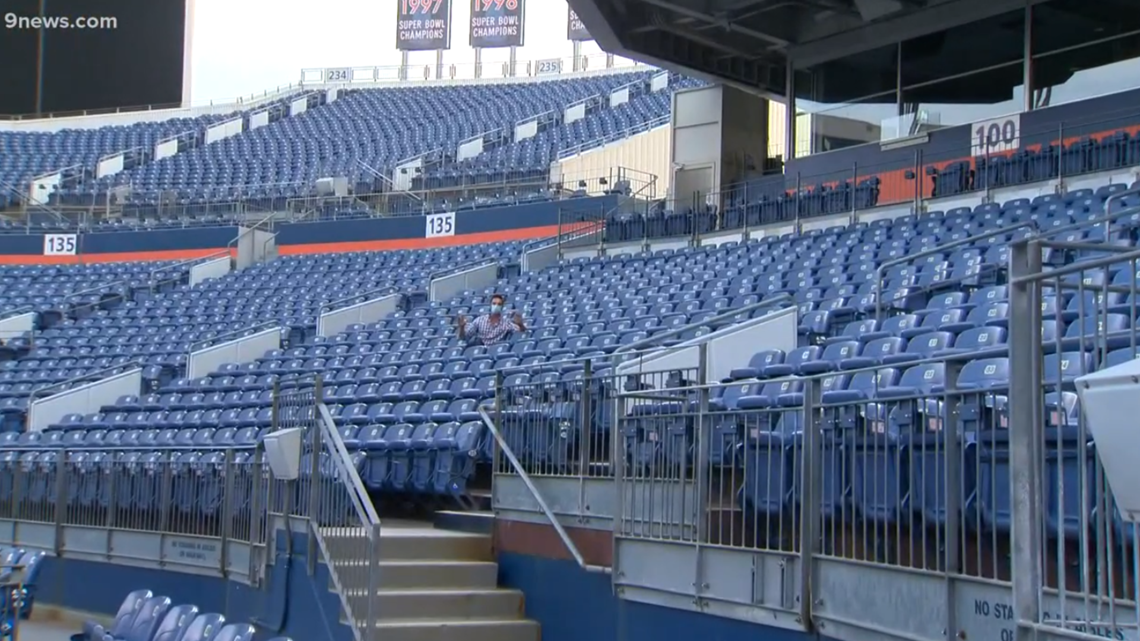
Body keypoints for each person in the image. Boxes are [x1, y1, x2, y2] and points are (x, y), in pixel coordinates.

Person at [456, 293, 526, 346]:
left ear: (502, 307)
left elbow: (521, 331)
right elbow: (464, 337)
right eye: (494, 304)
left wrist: (520, 324)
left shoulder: (506, 323)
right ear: (490, 305)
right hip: (480, 346)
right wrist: (462, 327)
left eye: (499, 304)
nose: (496, 306)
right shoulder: (479, 320)